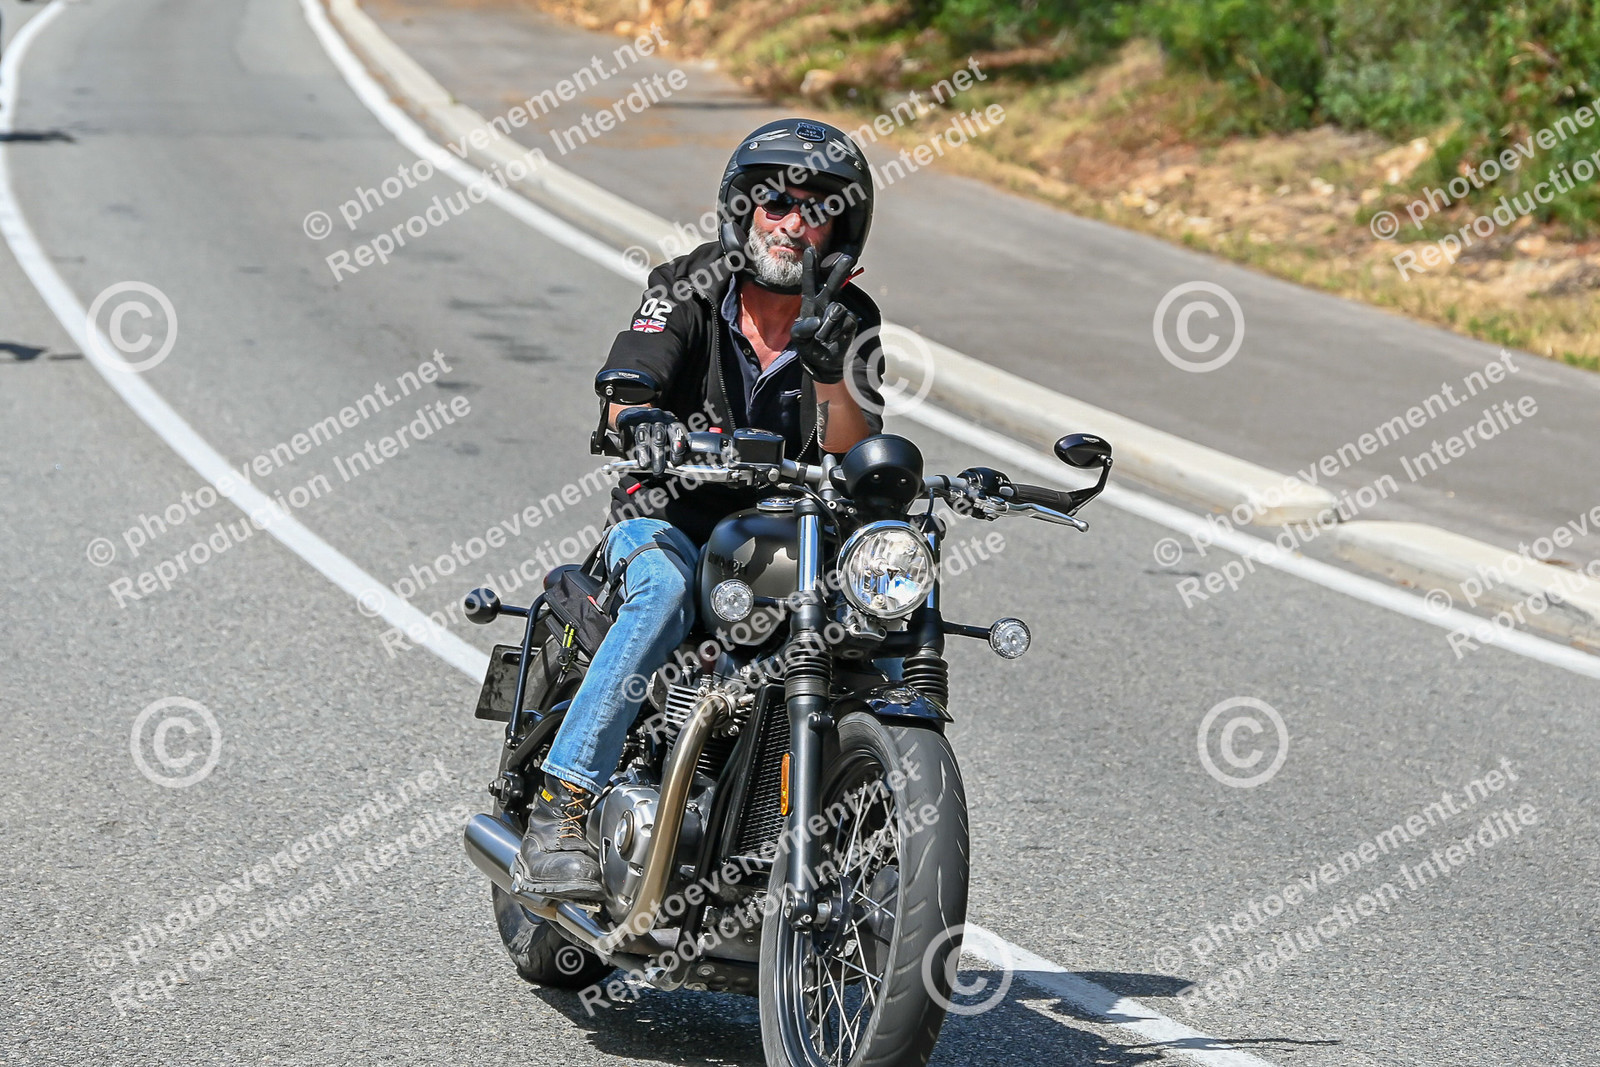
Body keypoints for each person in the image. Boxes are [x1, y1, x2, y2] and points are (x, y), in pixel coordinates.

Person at [514, 118, 887, 901]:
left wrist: (827, 365)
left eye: (816, 210)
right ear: (746, 209)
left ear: (839, 231)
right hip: (668, 521)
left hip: (782, 539)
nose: (792, 223)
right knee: (664, 591)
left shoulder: (851, 319)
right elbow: (629, 382)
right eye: (776, 203)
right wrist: (641, 421)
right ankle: (562, 809)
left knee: (861, 623)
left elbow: (852, 444)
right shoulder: (688, 282)